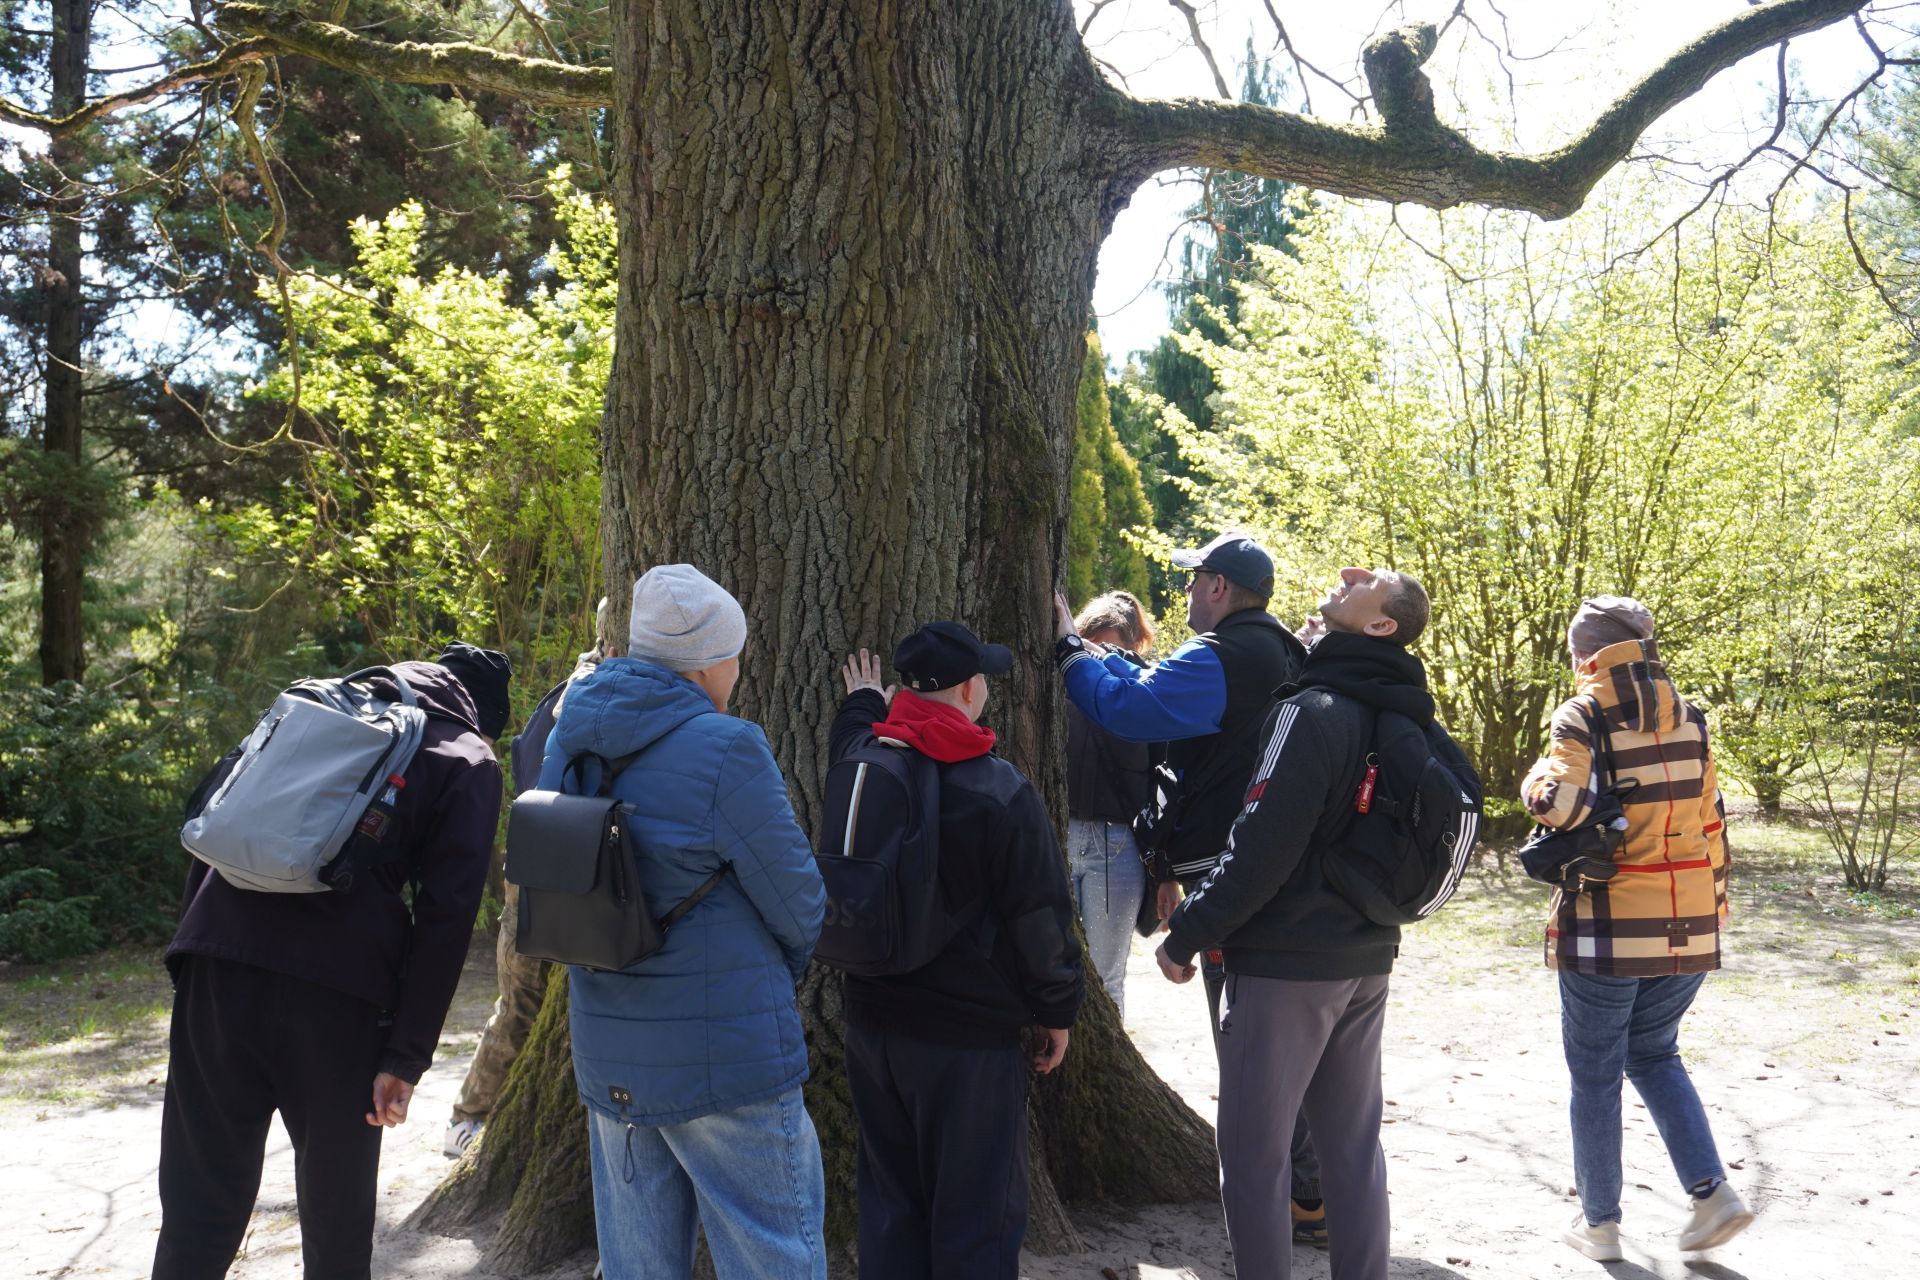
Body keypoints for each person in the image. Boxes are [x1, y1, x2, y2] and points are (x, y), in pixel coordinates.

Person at [154, 643, 510, 1280]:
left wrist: (194, 958)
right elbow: (447, 916)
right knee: (336, 1224)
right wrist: (405, 1056)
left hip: (215, 967)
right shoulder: (467, 756)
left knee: (196, 1211)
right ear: (482, 719)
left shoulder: (313, 707)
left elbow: (214, 825)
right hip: (339, 999)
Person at [541, 565, 828, 1279]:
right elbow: (797, 898)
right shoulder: (727, 746)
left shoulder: (567, 738)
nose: (739, 670)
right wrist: (782, 970)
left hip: (609, 1046)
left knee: (638, 1265)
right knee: (773, 1255)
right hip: (726, 1053)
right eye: (735, 655)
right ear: (706, 663)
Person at [1154, 566, 1432, 1280]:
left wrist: (1188, 932)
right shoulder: (1403, 708)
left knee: (1253, 1156)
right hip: (1366, 956)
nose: (1350, 573)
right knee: (1352, 1150)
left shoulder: (1310, 709)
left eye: (1371, 581)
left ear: (1381, 625)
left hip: (1283, 963)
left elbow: (1259, 845)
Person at [1051, 532, 1326, 1244]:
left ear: (1219, 587)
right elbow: (1155, 685)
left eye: (1194, 580)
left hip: (1230, 875)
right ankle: (1311, 1193)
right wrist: (1104, 658)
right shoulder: (1279, 650)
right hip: (1277, 867)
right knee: (1278, 1038)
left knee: (1248, 1042)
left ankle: (1297, 1197)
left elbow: (1130, 710)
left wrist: (1069, 653)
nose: (1186, 593)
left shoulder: (1220, 655)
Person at [833, 622, 1084, 1280]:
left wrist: (862, 703)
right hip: (969, 1040)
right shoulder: (1000, 790)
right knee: (976, 1218)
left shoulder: (864, 763)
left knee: (891, 1208)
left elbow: (847, 747)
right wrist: (1056, 1010)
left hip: (872, 1026)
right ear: (970, 690)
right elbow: (1039, 916)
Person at [1522, 596, 1749, 1262]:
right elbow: (1712, 821)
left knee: (1596, 1077)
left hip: (1609, 926)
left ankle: (1600, 1226)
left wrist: (1536, 778)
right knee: (1653, 1055)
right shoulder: (1691, 717)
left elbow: (1561, 805)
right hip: (1690, 922)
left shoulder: (1583, 713)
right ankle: (1711, 1194)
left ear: (1585, 656)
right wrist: (1715, 909)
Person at [444, 598, 618, 1158]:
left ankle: (471, 1114)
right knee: (520, 1000)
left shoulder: (583, 685)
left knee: (521, 1000)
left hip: (547, 862)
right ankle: (469, 1115)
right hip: (543, 868)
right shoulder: (585, 690)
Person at [1063, 590, 1155, 1019]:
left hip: (1117, 843)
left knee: (1106, 976)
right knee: (1048, 965)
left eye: (1113, 650)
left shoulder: (1146, 694)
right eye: (1092, 646)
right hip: (1061, 831)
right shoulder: (1060, 685)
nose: (1099, 659)